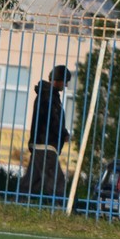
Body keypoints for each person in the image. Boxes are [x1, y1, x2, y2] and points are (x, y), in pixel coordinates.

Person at [20, 64, 72, 200]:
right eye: (65, 81)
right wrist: (63, 134)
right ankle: (62, 208)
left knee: (31, 182)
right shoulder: (48, 97)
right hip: (46, 144)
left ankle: (19, 202)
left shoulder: (48, 95)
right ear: (59, 80)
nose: (66, 85)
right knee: (56, 182)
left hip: (41, 144)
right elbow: (53, 119)